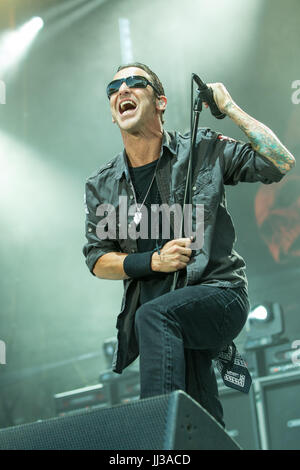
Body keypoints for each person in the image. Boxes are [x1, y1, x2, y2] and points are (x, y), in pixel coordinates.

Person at [83, 62, 295, 427]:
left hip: (219, 293)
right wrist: (154, 262)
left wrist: (229, 107)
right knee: (202, 420)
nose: (123, 90)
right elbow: (98, 259)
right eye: (114, 87)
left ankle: (153, 440)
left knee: (152, 316)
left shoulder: (201, 149)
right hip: (169, 321)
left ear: (161, 101)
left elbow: (279, 161)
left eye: (136, 82)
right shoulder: (102, 186)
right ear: (112, 114)